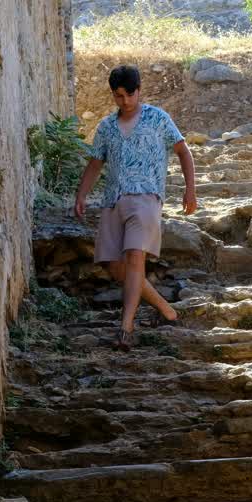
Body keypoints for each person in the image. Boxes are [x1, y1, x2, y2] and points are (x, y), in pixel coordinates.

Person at [73, 65, 198, 350]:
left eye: (130, 94)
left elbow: (183, 151)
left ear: (139, 90)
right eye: (119, 96)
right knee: (113, 264)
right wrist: (81, 195)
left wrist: (190, 190)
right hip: (113, 200)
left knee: (134, 259)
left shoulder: (157, 119)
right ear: (113, 95)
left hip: (146, 198)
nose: (126, 101)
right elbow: (95, 163)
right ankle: (167, 310)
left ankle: (125, 328)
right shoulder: (106, 127)